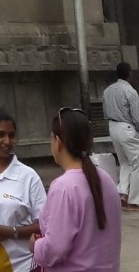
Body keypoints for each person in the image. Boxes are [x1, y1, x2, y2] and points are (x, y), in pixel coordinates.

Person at [32, 105, 120, 270]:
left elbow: (55, 249)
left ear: (57, 142)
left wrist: (36, 246)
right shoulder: (106, 178)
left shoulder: (63, 187)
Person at [0, 106, 45, 271]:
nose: (7, 141)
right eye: (0, 134)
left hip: (20, 266)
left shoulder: (28, 177)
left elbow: (45, 224)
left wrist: (11, 232)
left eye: (11, 135)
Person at [102, 60, 139, 207]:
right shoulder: (131, 92)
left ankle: (122, 193)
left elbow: (105, 112)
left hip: (112, 127)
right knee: (137, 163)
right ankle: (135, 200)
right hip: (127, 128)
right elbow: (137, 116)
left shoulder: (107, 90)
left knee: (124, 162)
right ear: (129, 74)